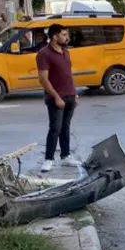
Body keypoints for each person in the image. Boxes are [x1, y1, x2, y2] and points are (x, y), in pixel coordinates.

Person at [36, 24, 81, 173]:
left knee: (65, 128)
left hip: (70, 96)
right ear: (54, 37)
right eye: (63, 35)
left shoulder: (65, 52)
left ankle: (65, 156)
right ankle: (48, 159)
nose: (66, 37)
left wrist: (74, 93)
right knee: (55, 128)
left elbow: (68, 75)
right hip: (56, 99)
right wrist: (56, 97)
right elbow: (43, 79)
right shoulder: (44, 54)